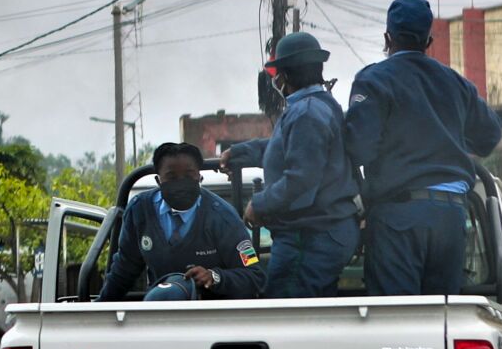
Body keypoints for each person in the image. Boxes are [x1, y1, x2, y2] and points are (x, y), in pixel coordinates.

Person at [346, 0, 502, 296]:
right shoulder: (457, 84)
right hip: (451, 219)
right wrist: (447, 137)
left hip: (398, 217)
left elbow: (358, 148)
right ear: (428, 39)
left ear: (387, 37)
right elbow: (490, 136)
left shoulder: (374, 80)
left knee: (398, 319)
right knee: (440, 317)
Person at [222, 32, 360, 298]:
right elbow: (283, 148)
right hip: (318, 233)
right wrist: (239, 152)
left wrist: (259, 204)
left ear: (282, 76)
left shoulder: (306, 112)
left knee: (288, 314)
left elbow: (301, 179)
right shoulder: (316, 107)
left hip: (310, 237)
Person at [97, 142, 265, 302]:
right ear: (158, 181)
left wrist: (214, 277)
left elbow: (254, 276)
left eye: (188, 175)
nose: (180, 182)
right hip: (160, 311)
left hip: (211, 315)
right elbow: (124, 270)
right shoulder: (139, 210)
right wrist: (97, 311)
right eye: (171, 176)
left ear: (199, 178)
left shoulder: (223, 217)